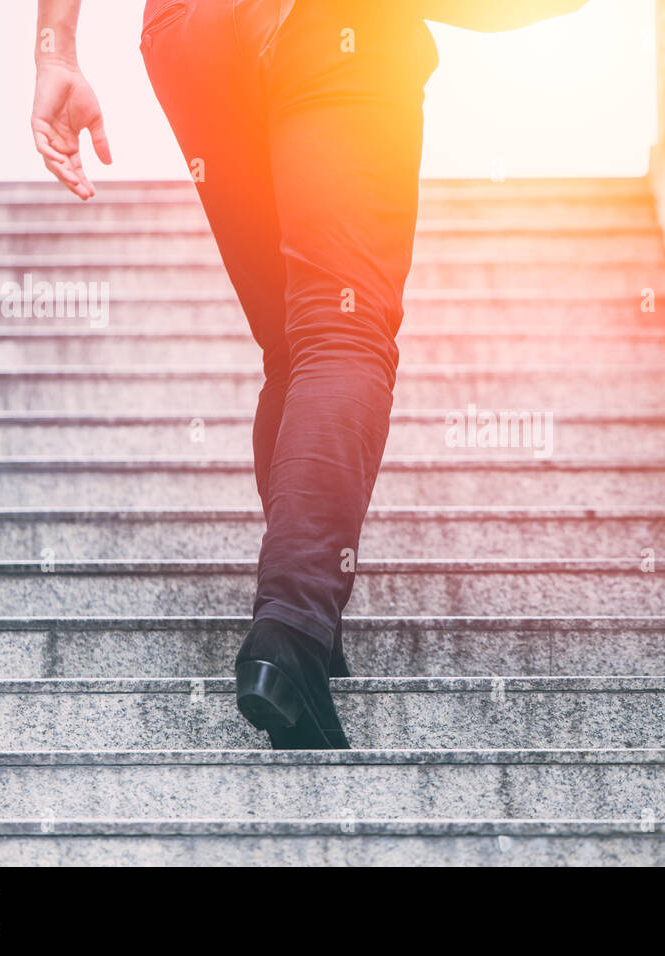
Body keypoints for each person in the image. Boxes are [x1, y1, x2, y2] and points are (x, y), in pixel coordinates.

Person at [31, 0, 588, 750]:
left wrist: (56, 51)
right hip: (332, 25)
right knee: (342, 330)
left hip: (188, 37)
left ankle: (304, 623)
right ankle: (290, 633)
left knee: (297, 349)